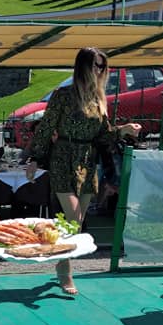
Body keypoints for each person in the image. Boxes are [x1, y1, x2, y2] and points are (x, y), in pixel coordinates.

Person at [25, 47, 141, 295]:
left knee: (73, 225)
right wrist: (34, 158)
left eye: (103, 66)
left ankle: (58, 256)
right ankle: (65, 272)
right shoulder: (63, 95)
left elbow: (104, 136)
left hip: (88, 163)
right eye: (96, 65)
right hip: (63, 159)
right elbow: (46, 128)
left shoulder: (99, 99)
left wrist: (124, 130)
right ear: (83, 67)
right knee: (74, 219)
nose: (100, 71)